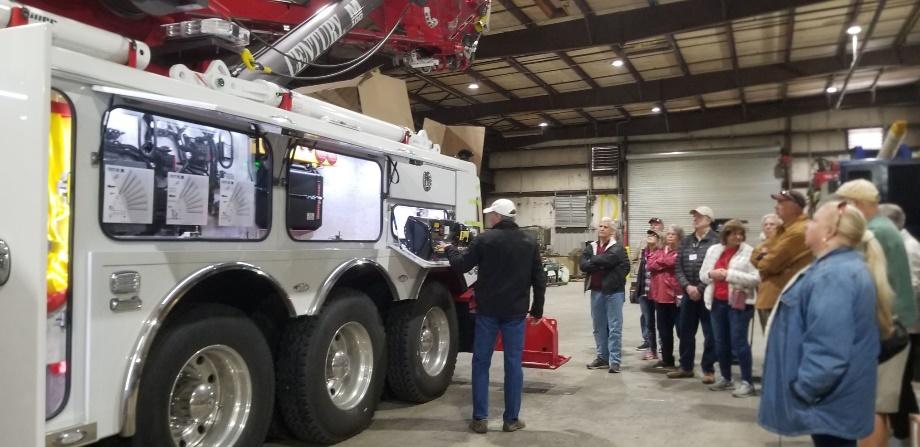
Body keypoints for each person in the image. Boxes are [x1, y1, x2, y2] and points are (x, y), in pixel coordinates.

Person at [759, 200, 892, 447]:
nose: (808, 225)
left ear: (829, 232)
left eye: (814, 220)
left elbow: (828, 349)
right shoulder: (839, 268)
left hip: (829, 402)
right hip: (836, 401)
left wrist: (802, 390)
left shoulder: (833, 276)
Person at [443, 198, 546, 434]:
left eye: (491, 215)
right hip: (515, 313)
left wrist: (448, 248)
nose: (489, 218)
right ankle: (511, 420)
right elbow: (538, 278)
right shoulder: (529, 241)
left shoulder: (485, 239)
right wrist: (537, 309)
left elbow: (460, 266)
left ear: (498, 217)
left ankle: (480, 419)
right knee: (513, 364)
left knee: (481, 363)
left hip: (487, 311)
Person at [835, 180, 917, 445]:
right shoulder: (884, 228)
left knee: (875, 404)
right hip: (895, 324)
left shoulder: (873, 232)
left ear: (856, 205)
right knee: (895, 397)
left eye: (842, 205)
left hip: (885, 328)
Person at [699, 220, 760, 397]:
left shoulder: (749, 252)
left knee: (739, 343)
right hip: (717, 302)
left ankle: (747, 382)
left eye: (741, 234)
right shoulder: (713, 250)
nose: (738, 237)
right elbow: (703, 275)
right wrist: (712, 274)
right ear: (725, 235)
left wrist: (728, 275)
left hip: (739, 304)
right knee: (720, 342)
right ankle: (726, 378)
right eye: (734, 233)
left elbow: (756, 278)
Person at [668, 206, 718, 383]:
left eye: (699, 216)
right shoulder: (687, 241)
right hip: (689, 294)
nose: (695, 218)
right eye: (694, 216)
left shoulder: (716, 241)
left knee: (710, 332)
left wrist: (701, 288)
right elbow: (678, 267)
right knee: (685, 331)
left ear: (709, 219)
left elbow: (717, 267)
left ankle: (708, 369)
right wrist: (688, 287)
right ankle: (686, 367)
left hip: (708, 294)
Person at [750, 190, 813, 332]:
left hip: (782, 300)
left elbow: (769, 264)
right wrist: (765, 256)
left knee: (780, 349)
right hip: (772, 298)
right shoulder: (783, 229)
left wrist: (765, 258)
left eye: (780, 203)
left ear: (795, 206)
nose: (776, 206)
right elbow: (755, 254)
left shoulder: (799, 231)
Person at [581, 216, 631, 373]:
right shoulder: (592, 246)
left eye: (605, 227)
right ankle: (602, 358)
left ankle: (614, 361)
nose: (601, 229)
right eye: (600, 226)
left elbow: (617, 263)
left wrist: (594, 262)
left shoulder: (618, 248)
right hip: (596, 292)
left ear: (612, 231)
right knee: (598, 327)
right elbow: (583, 265)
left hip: (613, 293)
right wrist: (600, 263)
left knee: (614, 327)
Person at [648, 225, 684, 369]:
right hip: (660, 297)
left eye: (673, 234)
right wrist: (664, 262)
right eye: (668, 234)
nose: (669, 236)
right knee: (663, 331)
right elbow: (650, 265)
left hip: (676, 297)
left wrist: (660, 262)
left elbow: (673, 262)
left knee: (682, 331)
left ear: (679, 237)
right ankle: (667, 360)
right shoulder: (660, 251)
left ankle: (685, 361)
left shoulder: (681, 252)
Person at [633, 217, 665, 351]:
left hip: (659, 289)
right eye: (651, 225)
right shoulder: (643, 244)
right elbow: (635, 260)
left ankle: (663, 342)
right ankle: (647, 340)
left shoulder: (664, 244)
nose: (653, 227)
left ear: (662, 226)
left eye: (656, 224)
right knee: (645, 315)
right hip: (644, 286)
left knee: (662, 317)